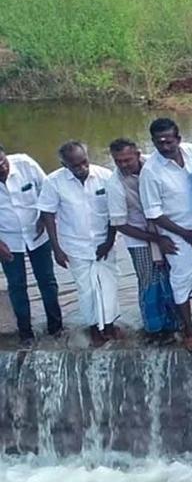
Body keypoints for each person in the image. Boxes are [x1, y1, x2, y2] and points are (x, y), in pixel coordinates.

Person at [140, 118, 192, 350]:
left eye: (169, 141)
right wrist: (185, 234)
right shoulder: (151, 172)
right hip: (178, 236)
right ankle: (189, 330)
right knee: (181, 282)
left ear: (178, 139)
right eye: (159, 142)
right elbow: (153, 213)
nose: (165, 147)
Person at [38, 141, 118, 347]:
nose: (82, 168)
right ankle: (94, 328)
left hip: (103, 242)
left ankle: (109, 326)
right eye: (76, 165)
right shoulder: (53, 182)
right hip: (74, 245)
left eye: (84, 162)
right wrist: (56, 249)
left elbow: (115, 212)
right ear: (65, 165)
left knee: (108, 285)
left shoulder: (105, 176)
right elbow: (48, 214)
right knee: (86, 289)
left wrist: (109, 241)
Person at [107, 139, 176, 345]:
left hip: (165, 230)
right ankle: (154, 328)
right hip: (139, 238)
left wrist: (163, 236)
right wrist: (157, 239)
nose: (123, 165)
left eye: (127, 160)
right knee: (149, 283)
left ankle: (175, 323)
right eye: (118, 161)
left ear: (138, 155)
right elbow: (120, 225)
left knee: (172, 278)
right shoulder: (115, 184)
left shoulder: (153, 166)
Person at [0, 145, 61, 349]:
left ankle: (56, 327)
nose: (2, 168)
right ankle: (25, 332)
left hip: (37, 233)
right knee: (17, 285)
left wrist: (44, 217)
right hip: (8, 239)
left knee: (47, 280)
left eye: (3, 162)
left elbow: (47, 190)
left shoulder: (25, 163)